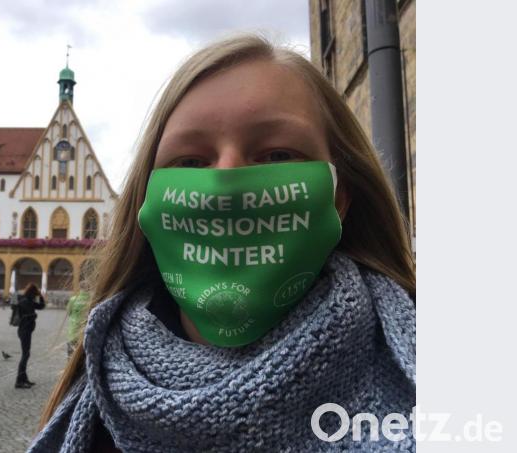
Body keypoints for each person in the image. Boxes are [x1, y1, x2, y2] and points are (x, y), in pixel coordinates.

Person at [31, 35, 416, 452]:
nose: (225, 186)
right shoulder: (90, 411)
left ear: (338, 198)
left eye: (277, 155)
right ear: (147, 205)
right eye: (192, 162)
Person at [15, 283, 45, 389]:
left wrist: (40, 296)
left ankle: (24, 378)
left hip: (25, 330)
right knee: (25, 355)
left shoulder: (27, 300)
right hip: (25, 330)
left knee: (26, 354)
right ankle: (19, 381)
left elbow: (41, 306)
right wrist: (33, 315)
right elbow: (37, 308)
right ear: (33, 292)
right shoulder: (26, 301)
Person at [64, 290, 89, 358]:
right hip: (86, 331)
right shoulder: (92, 299)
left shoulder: (73, 299)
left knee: (70, 355)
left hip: (73, 329)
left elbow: (68, 312)